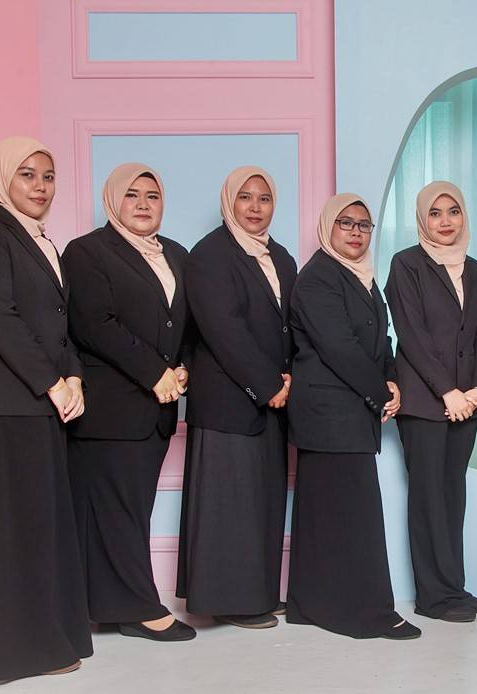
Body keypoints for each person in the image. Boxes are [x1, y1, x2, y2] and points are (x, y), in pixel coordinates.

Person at [0, 136, 92, 682]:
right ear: (1, 178)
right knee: (16, 530)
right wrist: (51, 382)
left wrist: (73, 375)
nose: (40, 187)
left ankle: (32, 639)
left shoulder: (39, 240)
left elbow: (58, 324)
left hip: (37, 403)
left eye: (48, 176)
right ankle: (22, 651)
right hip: (4, 404)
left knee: (36, 526)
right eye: (27, 175)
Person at [63, 163, 195, 642]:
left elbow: (187, 325)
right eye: (132, 195)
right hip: (111, 407)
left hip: (158, 407)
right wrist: (154, 372)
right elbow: (94, 324)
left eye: (152, 196)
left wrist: (184, 366)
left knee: (130, 510)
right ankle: (139, 607)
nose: (143, 204)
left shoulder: (176, 254)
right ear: (112, 200)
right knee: (114, 511)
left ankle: (109, 606)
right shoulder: (87, 251)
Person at [286, 193, 420, 640]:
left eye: (364, 225)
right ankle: (367, 613)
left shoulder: (361, 277)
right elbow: (339, 347)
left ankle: (310, 605)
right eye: (346, 223)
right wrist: (381, 393)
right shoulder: (318, 277)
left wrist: (392, 378)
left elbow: (380, 340)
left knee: (329, 514)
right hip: (329, 416)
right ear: (329, 227)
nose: (356, 232)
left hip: (346, 414)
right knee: (351, 516)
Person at [176, 167, 296, 628]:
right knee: (229, 505)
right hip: (228, 402)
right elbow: (224, 331)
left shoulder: (281, 257)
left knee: (262, 502)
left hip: (273, 401)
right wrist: (268, 386)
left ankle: (258, 593)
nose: (255, 207)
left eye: (264, 198)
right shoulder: (209, 255)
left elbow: (290, 328)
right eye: (245, 197)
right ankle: (230, 602)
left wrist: (290, 381)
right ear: (230, 201)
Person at [385, 181, 477, 623]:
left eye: (453, 211)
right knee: (428, 496)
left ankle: (453, 587)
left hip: (467, 402)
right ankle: (432, 597)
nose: (445, 221)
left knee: (453, 495)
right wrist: (447, 391)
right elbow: (411, 335)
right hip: (424, 402)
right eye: (435, 213)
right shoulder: (406, 264)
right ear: (422, 219)